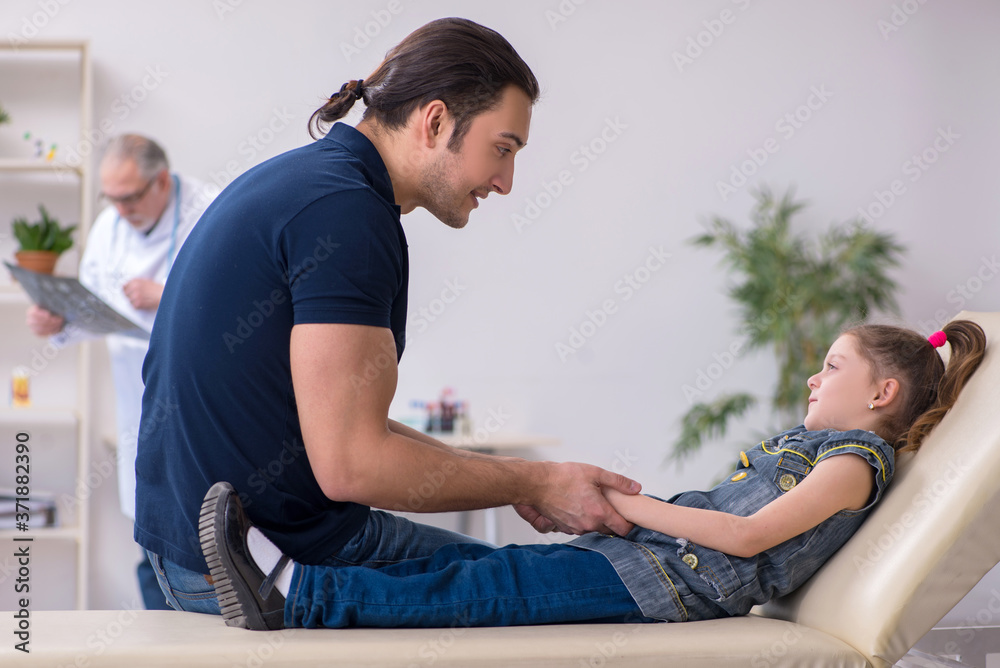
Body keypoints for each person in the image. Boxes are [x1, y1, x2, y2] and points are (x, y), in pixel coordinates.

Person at [135, 17, 641, 615]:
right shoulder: (348, 215)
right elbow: (353, 465)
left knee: (547, 573)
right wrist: (535, 483)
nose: (506, 182)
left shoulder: (311, 182)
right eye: (502, 149)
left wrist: (528, 479)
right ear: (435, 121)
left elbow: (343, 433)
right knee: (563, 585)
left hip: (191, 552)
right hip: (260, 560)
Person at [198, 320, 987, 630]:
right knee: (485, 564)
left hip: (664, 586)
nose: (814, 379)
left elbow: (744, 535)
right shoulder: (820, 451)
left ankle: (300, 598)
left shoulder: (854, 465)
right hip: (648, 564)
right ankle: (299, 572)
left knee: (490, 590)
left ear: (882, 393)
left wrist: (625, 505)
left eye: (831, 366)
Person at [26, 134, 216, 609]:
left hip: (196, 397)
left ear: (162, 181)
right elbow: (93, 306)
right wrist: (58, 321)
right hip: (135, 399)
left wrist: (166, 295)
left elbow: (239, 308)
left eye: (129, 197)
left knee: (205, 541)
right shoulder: (110, 223)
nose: (119, 209)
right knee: (151, 536)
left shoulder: (209, 211)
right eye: (110, 198)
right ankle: (161, 645)